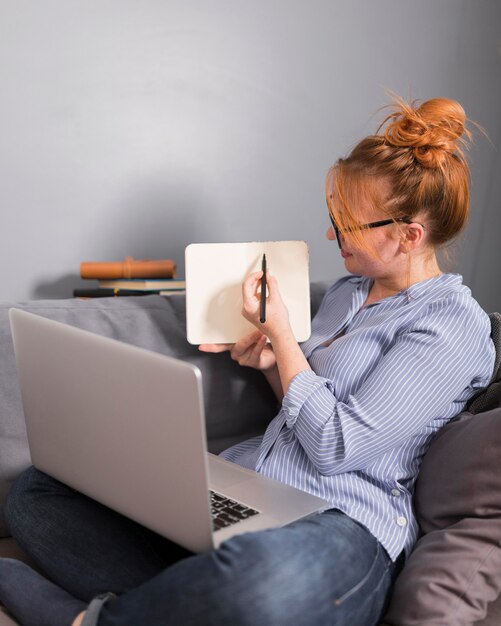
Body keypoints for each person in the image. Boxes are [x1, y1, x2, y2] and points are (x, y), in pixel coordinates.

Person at [0, 96, 495, 626]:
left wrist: (283, 336)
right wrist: (268, 363)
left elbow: (336, 447)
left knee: (265, 582)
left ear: (408, 236)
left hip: (341, 524)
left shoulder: (451, 325)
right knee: (39, 490)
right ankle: (192, 600)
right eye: (334, 216)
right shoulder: (349, 292)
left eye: (349, 223)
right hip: (251, 486)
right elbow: (306, 409)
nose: (333, 234)